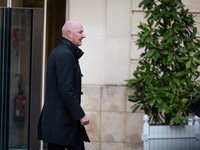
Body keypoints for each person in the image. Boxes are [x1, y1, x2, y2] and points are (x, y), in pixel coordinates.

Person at [38, 20, 90, 150]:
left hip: (65, 121)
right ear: (69, 34)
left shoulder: (65, 53)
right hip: (60, 123)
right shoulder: (65, 54)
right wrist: (80, 115)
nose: (84, 35)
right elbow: (66, 90)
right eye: (80, 32)